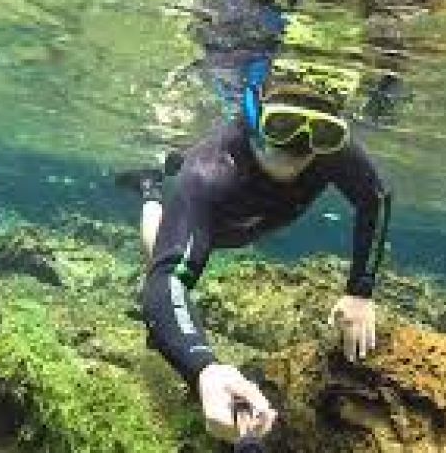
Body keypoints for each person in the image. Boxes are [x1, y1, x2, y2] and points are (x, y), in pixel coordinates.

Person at [115, 77, 392, 443]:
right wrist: (204, 369)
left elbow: (377, 197)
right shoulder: (209, 170)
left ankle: (164, 173)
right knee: (159, 253)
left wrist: (360, 290)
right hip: (213, 221)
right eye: (283, 125)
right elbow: (167, 278)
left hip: (254, 221)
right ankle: (150, 187)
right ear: (254, 115)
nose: (300, 146)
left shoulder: (335, 153)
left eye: (321, 133)